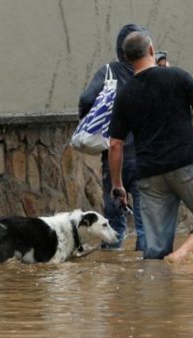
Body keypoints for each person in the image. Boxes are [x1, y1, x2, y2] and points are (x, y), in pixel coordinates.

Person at [108, 31, 193, 262]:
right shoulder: (176, 76)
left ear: (127, 58)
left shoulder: (124, 95)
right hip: (187, 165)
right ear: (151, 50)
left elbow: (115, 145)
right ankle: (182, 254)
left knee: (154, 253)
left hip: (149, 176)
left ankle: (156, 294)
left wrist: (118, 185)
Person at [79, 24, 147, 251]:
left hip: (114, 157)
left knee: (114, 218)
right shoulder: (151, 73)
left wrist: (94, 125)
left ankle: (113, 268)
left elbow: (87, 98)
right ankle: (147, 272)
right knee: (145, 222)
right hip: (145, 157)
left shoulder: (108, 72)